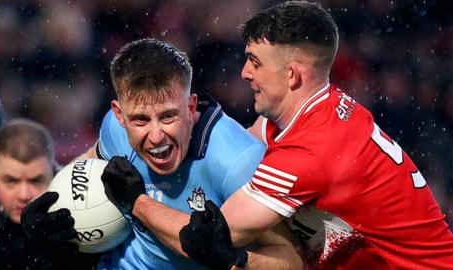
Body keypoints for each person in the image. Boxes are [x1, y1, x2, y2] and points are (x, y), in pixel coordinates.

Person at [178, 1, 453, 269]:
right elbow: (241, 144)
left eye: (255, 62)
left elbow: (212, 233)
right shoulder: (317, 111)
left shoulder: (312, 151)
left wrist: (140, 200)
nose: (244, 73)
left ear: (292, 75)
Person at [82, 38, 304, 269]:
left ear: (190, 107)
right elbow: (86, 168)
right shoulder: (114, 130)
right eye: (140, 120)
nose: (156, 136)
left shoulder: (238, 161)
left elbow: (293, 260)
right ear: (120, 114)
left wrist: (233, 260)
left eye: (168, 116)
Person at [0, 119, 99, 269]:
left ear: (54, 173)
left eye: (36, 181)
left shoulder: (80, 214)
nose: (24, 195)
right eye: (11, 181)